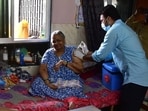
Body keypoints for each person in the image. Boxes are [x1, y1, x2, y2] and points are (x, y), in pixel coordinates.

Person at [75, 5, 148, 111]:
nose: (101, 23)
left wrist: (82, 56)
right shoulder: (122, 27)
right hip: (140, 75)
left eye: (102, 20)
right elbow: (108, 54)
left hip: (137, 77)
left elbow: (100, 56)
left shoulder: (114, 30)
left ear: (108, 18)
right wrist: (88, 53)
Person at [29, 30, 87, 108]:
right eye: (54, 41)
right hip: (52, 82)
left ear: (64, 40)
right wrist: (48, 83)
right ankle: (69, 98)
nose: (56, 43)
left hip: (69, 81)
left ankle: (66, 98)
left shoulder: (72, 50)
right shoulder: (48, 53)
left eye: (59, 40)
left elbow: (80, 69)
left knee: (76, 88)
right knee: (36, 83)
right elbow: (42, 69)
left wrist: (65, 63)